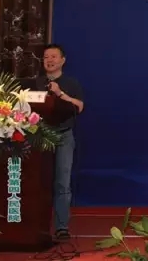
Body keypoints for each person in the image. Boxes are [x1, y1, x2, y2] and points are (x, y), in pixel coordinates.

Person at [33, 43, 84, 241]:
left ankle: (61, 226)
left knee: (62, 182)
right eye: (46, 57)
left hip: (63, 136)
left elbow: (79, 106)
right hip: (40, 135)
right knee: (38, 181)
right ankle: (37, 225)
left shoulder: (71, 83)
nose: (49, 60)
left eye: (53, 56)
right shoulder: (35, 83)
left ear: (63, 60)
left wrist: (60, 93)